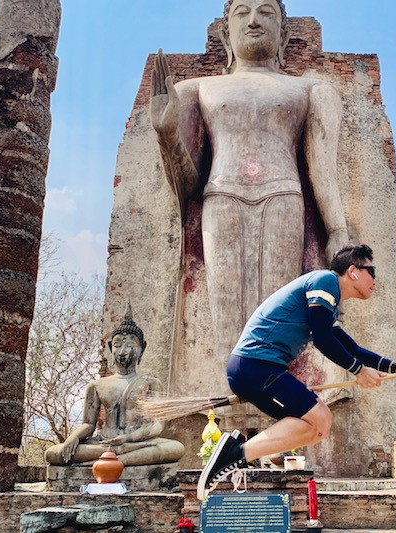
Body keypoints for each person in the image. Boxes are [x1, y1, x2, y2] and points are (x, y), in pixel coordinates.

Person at [150, 0, 350, 362]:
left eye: (266, 12)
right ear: (226, 32)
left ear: (284, 34)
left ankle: (274, 400)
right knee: (227, 315)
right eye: (242, 12)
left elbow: (321, 169)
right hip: (221, 196)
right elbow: (187, 185)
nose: (254, 21)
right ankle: (234, 404)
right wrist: (167, 136)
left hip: (283, 196)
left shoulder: (308, 90)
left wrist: (337, 229)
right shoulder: (197, 89)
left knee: (277, 313)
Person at [196, 245, 396, 499]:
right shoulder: (325, 280)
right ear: (353, 271)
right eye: (371, 271)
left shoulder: (329, 303)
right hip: (256, 365)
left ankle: (250, 452)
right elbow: (322, 340)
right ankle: (235, 454)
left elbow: (349, 347)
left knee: (317, 427)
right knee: (320, 419)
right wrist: (358, 371)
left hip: (258, 369)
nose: (375, 280)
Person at [45, 305, 185, 466]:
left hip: (135, 442)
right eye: (118, 345)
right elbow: (88, 424)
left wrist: (127, 439)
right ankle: (115, 457)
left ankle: (108, 460)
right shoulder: (97, 385)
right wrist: (73, 438)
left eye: (131, 344)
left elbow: (157, 425)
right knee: (53, 453)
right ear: (111, 348)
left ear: (142, 348)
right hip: (104, 443)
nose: (123, 350)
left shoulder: (151, 383)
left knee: (176, 448)